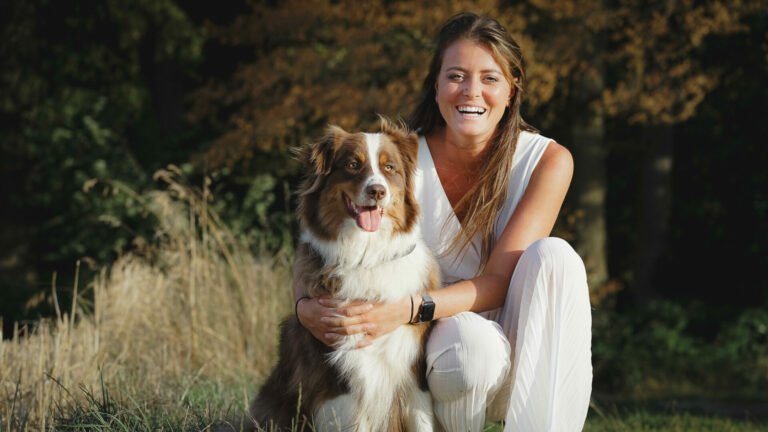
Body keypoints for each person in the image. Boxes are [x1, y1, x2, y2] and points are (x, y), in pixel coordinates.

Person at [295, 11, 592, 431]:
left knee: (556, 256)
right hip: (432, 354)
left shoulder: (548, 160)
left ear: (512, 90)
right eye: (456, 76)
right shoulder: (398, 161)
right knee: (469, 346)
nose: (471, 91)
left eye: (489, 78)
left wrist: (407, 309)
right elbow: (326, 246)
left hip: (511, 341)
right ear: (436, 86)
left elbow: (499, 281)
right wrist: (304, 307)